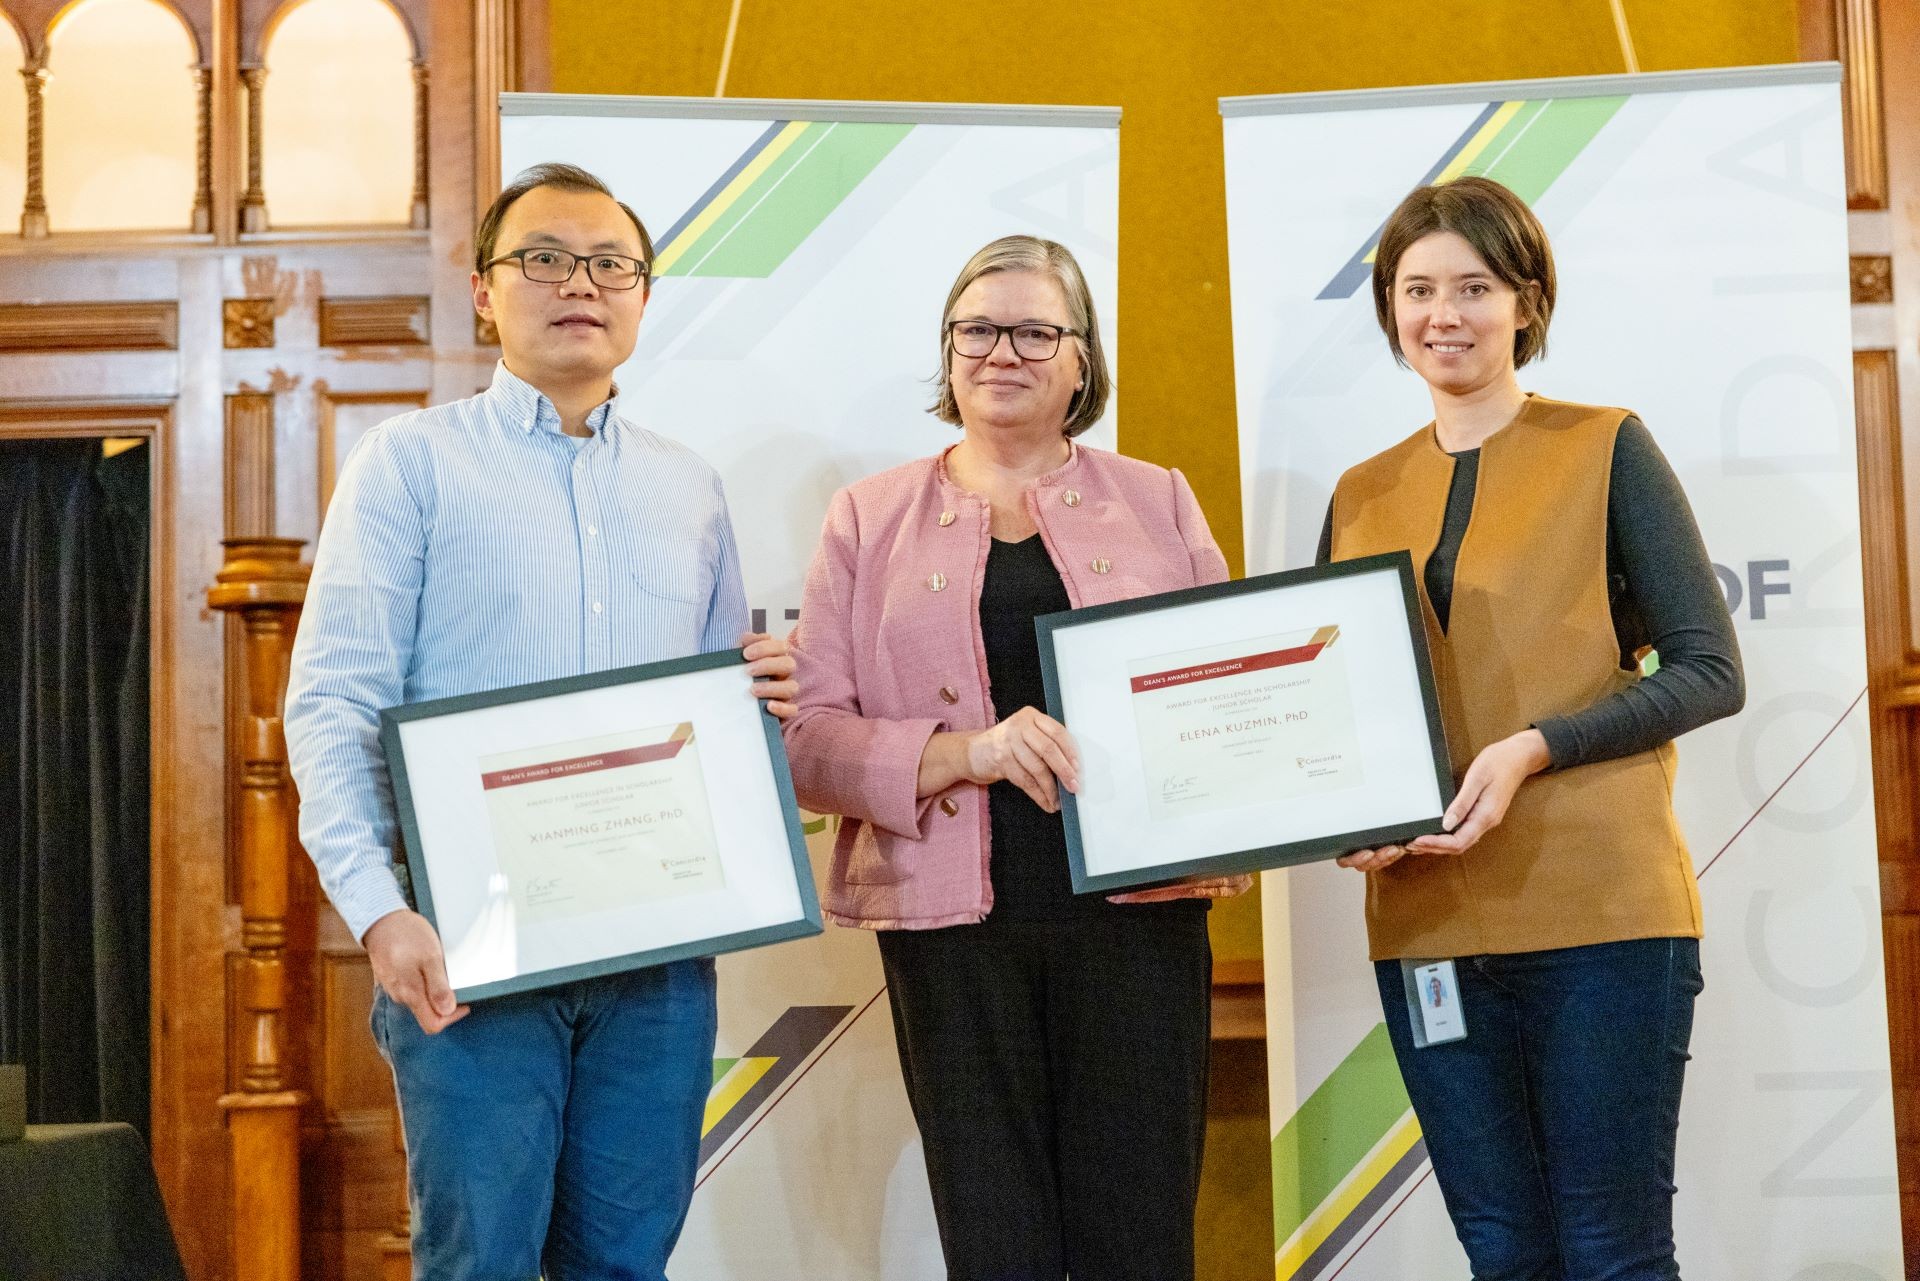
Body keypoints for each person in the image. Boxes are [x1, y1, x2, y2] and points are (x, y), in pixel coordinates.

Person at [283, 162, 797, 1281]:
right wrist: (379, 914)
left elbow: (713, 714)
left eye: (613, 264)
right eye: (546, 259)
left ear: (643, 298)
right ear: (484, 290)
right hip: (470, 950)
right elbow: (331, 704)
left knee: (626, 1265)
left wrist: (763, 696)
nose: (583, 284)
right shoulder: (407, 467)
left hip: (655, 961)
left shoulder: (689, 488)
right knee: (482, 1265)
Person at [781, 234, 1248, 1281]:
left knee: (1141, 1244)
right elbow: (809, 743)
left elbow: (1222, 700)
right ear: (946, 355)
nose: (1005, 350)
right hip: (952, 932)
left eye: (1038, 329)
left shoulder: (1160, 498)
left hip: (1140, 921)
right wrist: (968, 753)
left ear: (1083, 360)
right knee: (997, 1247)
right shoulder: (868, 516)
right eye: (978, 328)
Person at [1321, 175, 1744, 1279]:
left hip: (1602, 919)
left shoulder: (1607, 446)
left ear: (1527, 302)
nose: (1443, 314)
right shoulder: (1360, 492)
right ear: (1389, 309)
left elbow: (1707, 670)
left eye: (1474, 286)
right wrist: (1340, 820)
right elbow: (1340, 718)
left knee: (1611, 1252)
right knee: (1503, 1253)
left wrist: (1534, 746)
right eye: (1418, 289)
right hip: (1426, 929)